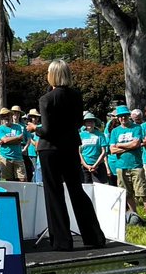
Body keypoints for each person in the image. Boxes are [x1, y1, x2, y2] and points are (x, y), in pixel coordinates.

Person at [29, 60, 107, 250]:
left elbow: (47, 130)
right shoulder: (76, 96)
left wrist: (34, 128)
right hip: (70, 147)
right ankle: (95, 236)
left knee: (54, 194)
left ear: (52, 75)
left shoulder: (46, 99)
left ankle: (62, 241)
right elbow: (78, 123)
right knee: (76, 190)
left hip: (50, 150)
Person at [109, 105, 146, 225]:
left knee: (143, 193)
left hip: (136, 165)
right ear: (118, 118)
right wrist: (128, 146)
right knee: (127, 194)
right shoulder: (115, 131)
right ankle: (135, 216)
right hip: (121, 166)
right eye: (120, 116)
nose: (123, 118)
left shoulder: (136, 128)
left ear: (128, 116)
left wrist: (120, 145)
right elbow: (112, 150)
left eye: (124, 116)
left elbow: (136, 144)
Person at [0, 107, 27, 181]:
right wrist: (16, 138)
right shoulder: (0, 128)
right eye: (3, 116)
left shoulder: (18, 127)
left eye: (8, 115)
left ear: (11, 116)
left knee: (23, 179)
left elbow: (20, 140)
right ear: (1, 118)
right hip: (5, 157)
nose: (6, 117)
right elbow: (5, 140)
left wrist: (4, 141)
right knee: (9, 180)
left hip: (18, 157)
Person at [79, 112, 109, 184]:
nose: (89, 123)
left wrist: (95, 165)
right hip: (85, 166)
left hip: (98, 166)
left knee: (100, 187)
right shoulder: (81, 135)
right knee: (87, 188)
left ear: (94, 123)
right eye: (87, 121)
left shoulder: (100, 135)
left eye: (91, 121)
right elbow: (79, 152)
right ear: (85, 123)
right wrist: (86, 166)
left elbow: (103, 152)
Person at [23, 109, 41, 181]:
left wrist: (31, 140)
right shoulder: (27, 127)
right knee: (30, 171)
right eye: (32, 117)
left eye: (36, 117)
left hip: (37, 152)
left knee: (36, 171)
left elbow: (36, 141)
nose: (34, 119)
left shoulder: (40, 127)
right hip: (30, 151)